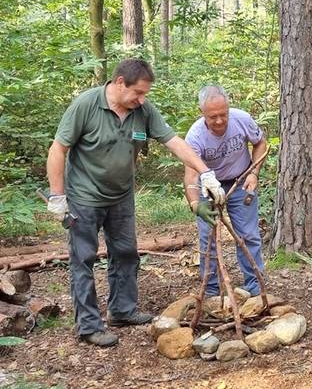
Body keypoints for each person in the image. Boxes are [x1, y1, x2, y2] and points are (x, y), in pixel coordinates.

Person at [46, 59, 225, 347]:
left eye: (145, 94)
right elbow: (59, 148)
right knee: (83, 259)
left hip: (121, 196)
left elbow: (174, 141)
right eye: (138, 93)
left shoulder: (142, 111)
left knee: (127, 253)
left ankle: (122, 310)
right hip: (84, 198)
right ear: (119, 83)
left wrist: (205, 173)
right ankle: (89, 325)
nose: (142, 99)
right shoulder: (86, 105)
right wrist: (57, 195)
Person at [183, 85, 267, 297]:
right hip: (209, 186)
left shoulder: (242, 119)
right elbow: (191, 175)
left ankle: (256, 287)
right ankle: (210, 291)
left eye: (224, 114)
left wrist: (253, 173)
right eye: (213, 117)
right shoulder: (195, 136)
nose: (220, 120)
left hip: (241, 182)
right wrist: (196, 204)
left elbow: (260, 143)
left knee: (248, 235)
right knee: (208, 237)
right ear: (202, 113)